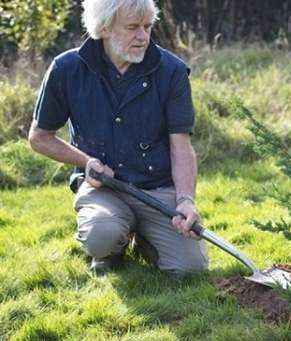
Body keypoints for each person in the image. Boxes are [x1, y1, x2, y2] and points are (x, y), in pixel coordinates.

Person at [28, 0, 208, 276]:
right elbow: (39, 137)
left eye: (147, 27)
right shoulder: (66, 69)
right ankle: (112, 248)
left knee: (191, 269)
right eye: (133, 27)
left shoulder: (171, 72)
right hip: (105, 188)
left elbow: (181, 148)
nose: (143, 36)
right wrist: (85, 162)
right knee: (101, 237)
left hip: (158, 189)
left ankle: (147, 237)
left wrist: (185, 200)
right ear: (104, 28)